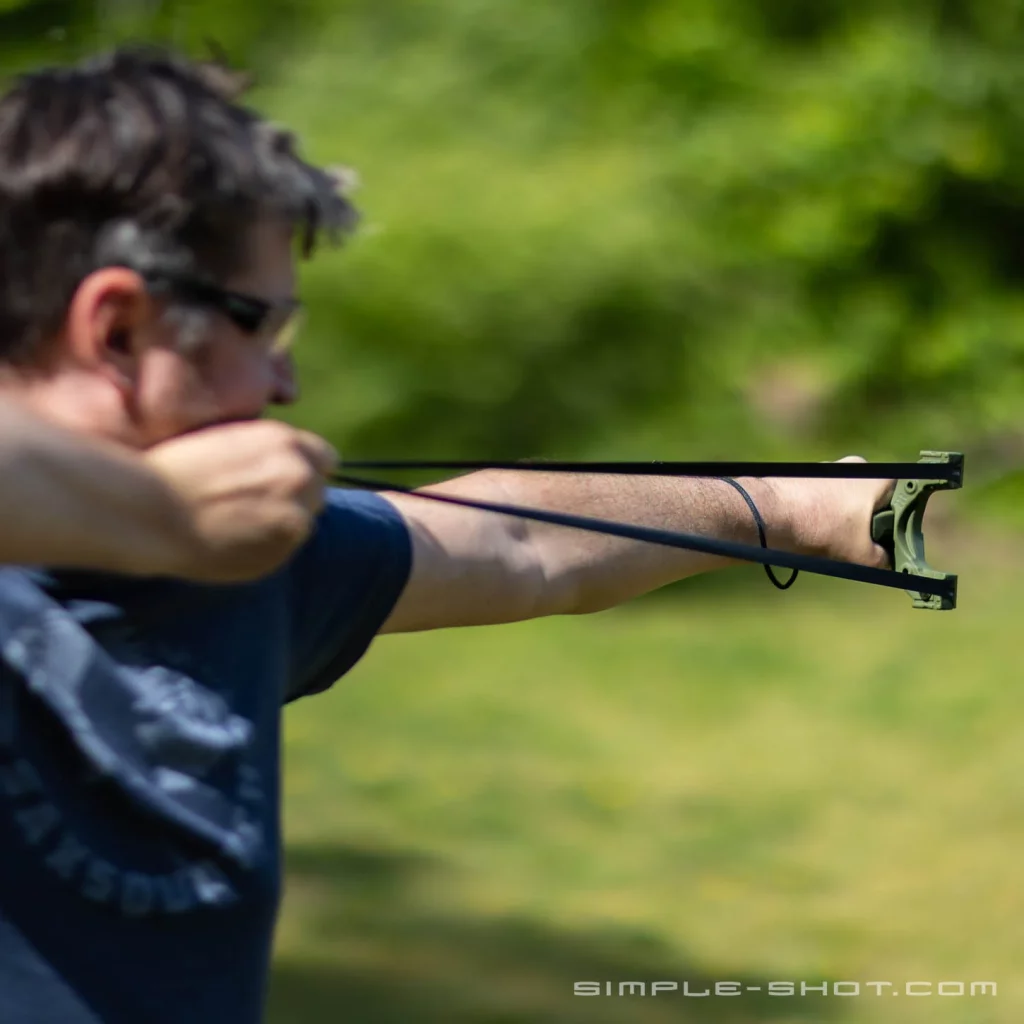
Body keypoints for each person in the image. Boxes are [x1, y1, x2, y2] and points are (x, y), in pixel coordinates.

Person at [0, 47, 893, 1024]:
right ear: (119, 330)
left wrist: (785, 507)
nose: (286, 386)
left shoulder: (238, 564)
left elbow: (518, 542)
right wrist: (163, 518)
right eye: (264, 331)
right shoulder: (171, 537)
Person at [0, 398, 339, 581]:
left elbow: (389, 529)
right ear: (117, 332)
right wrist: (175, 509)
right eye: (260, 325)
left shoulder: (260, 527)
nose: (286, 387)